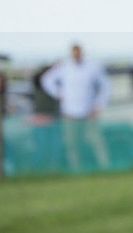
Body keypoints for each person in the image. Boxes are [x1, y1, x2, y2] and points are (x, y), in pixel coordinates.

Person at [41, 43, 111, 171]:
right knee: (72, 145)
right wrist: (58, 93)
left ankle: (105, 168)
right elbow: (47, 80)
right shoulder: (64, 67)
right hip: (70, 114)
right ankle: (76, 170)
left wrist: (98, 105)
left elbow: (105, 86)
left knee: (97, 143)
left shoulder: (92, 67)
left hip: (88, 113)